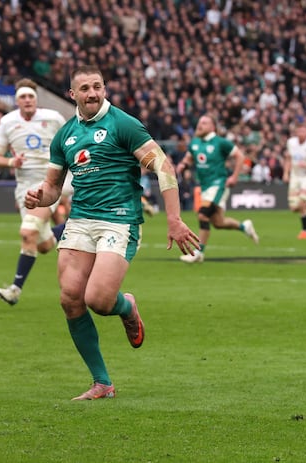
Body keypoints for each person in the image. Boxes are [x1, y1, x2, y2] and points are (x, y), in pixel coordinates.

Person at [23, 65, 200, 400]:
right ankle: (102, 382)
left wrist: (174, 219)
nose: (93, 93)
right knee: (70, 298)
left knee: (99, 300)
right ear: (72, 95)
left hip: (119, 220)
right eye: (85, 88)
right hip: (80, 222)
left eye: (98, 86)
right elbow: (51, 188)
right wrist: (39, 197)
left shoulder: (123, 124)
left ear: (104, 88)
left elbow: (163, 165)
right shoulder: (65, 136)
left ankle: (126, 307)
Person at [0, 78, 67, 305]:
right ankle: (72, 225)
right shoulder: (7, 122)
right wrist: (12, 161)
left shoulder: (53, 118)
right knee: (42, 245)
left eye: (31, 96)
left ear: (36, 99)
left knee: (28, 230)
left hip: (49, 183)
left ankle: (14, 289)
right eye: (23, 97)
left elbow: (71, 142)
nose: (27, 100)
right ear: (17, 101)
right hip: (24, 187)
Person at [176, 114, 259, 263]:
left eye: (204, 123)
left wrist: (234, 176)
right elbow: (188, 159)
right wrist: (183, 165)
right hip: (205, 186)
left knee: (202, 214)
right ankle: (244, 227)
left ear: (212, 127)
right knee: (218, 223)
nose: (199, 125)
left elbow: (240, 156)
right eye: (199, 122)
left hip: (218, 184)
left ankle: (199, 253)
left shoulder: (220, 142)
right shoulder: (194, 143)